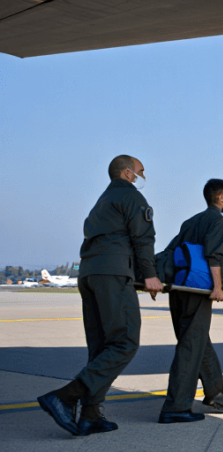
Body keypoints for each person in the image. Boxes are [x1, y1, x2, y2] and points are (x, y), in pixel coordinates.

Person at [38, 155, 163, 436]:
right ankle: (65, 396)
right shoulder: (132, 197)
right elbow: (142, 238)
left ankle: (90, 414)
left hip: (88, 274)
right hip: (112, 274)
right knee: (125, 341)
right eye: (140, 172)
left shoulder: (102, 201)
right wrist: (150, 274)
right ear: (128, 173)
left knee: (100, 347)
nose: (142, 178)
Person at [159, 180, 223, 424]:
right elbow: (214, 254)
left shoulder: (190, 221)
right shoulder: (217, 221)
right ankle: (176, 407)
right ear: (221, 197)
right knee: (191, 346)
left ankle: (216, 395)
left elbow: (171, 251)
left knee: (197, 339)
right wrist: (218, 286)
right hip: (197, 288)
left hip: (179, 287)